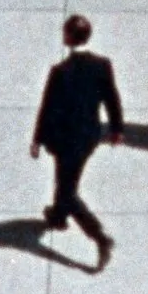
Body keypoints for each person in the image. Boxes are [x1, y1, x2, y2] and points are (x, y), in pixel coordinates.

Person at [32, 15, 123, 269]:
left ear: (69, 37)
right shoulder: (102, 65)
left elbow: (47, 108)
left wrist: (37, 139)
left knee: (68, 190)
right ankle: (59, 216)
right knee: (67, 178)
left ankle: (100, 237)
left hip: (65, 140)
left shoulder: (60, 72)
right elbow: (111, 98)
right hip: (89, 137)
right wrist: (117, 129)